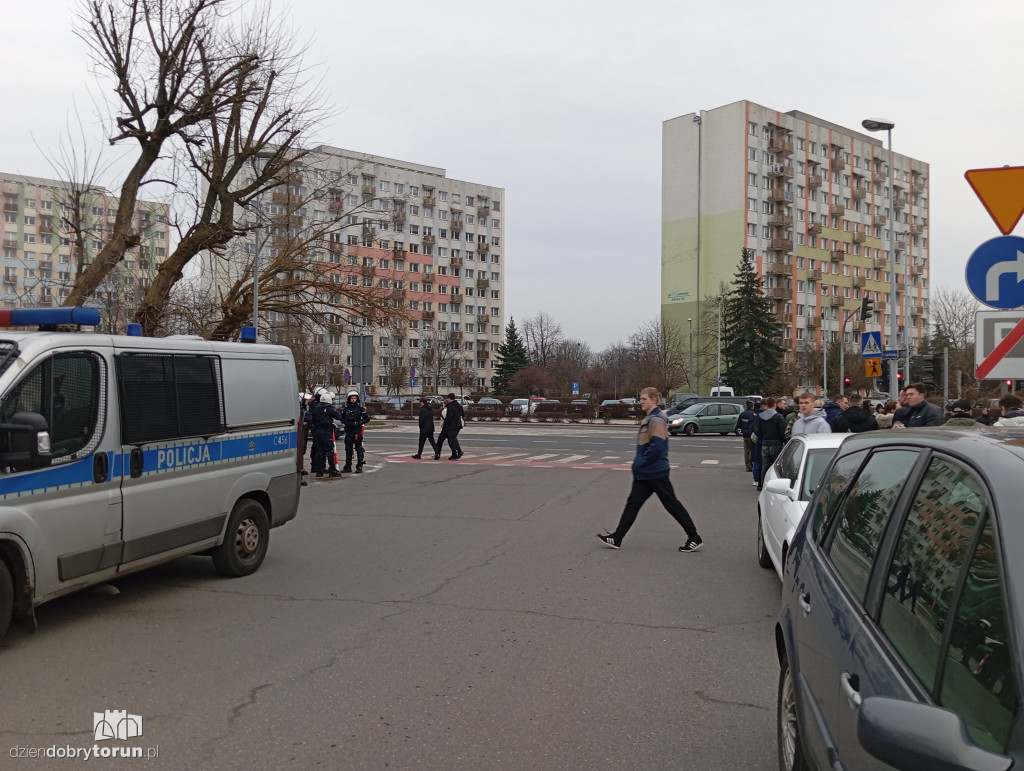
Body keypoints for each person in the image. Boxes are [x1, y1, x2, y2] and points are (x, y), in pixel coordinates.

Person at [596, 387, 703, 552]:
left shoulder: (657, 419)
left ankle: (694, 537)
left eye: (644, 399)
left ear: (654, 400)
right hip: (646, 473)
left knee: (672, 505)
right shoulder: (652, 418)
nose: (641, 402)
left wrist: (641, 463)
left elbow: (657, 447)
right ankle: (617, 537)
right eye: (641, 398)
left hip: (655, 472)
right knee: (633, 504)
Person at [753, 396, 786, 491]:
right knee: (777, 467)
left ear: (767, 405)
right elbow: (782, 432)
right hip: (776, 444)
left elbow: (757, 430)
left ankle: (762, 484)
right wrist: (782, 440)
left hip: (764, 443)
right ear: (775, 405)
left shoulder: (760, 416)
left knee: (765, 466)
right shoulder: (779, 417)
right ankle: (777, 485)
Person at [310, 392, 344, 477]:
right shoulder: (329, 409)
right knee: (329, 450)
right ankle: (332, 470)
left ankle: (319, 470)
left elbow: (313, 419)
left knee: (319, 451)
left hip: (317, 431)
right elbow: (338, 417)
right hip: (325, 431)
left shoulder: (317, 408)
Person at [339, 390, 371, 472]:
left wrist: (359, 422)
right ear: (349, 399)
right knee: (348, 449)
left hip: (357, 431)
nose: (353, 400)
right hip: (349, 431)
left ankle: (359, 466)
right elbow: (341, 418)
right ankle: (348, 466)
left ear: (357, 399)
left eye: (355, 398)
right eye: (352, 398)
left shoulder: (360, 409)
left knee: (359, 448)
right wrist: (346, 422)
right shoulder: (346, 409)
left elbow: (367, 418)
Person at [436, 393, 465, 460]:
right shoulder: (459, 406)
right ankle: (459, 451)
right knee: (453, 439)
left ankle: (454, 454)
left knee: (450, 440)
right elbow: (462, 414)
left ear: (449, 398)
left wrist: (445, 424)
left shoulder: (450, 407)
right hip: (458, 425)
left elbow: (449, 417)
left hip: (451, 425)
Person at [737, 399, 758, 473]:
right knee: (753, 450)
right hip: (752, 435)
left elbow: (738, 425)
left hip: (745, 435)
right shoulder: (754, 415)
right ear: (752, 406)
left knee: (747, 451)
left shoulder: (742, 414)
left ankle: (748, 466)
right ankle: (753, 465)